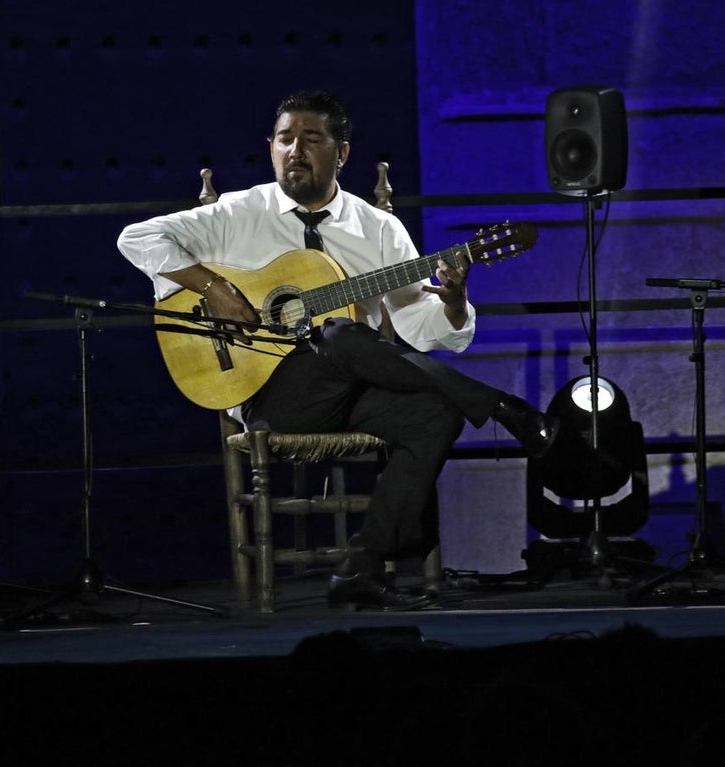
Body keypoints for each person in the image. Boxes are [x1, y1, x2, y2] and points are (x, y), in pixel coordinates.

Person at [118, 89, 559, 611]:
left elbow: (417, 327)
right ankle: (503, 407)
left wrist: (455, 300)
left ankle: (361, 569)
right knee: (339, 335)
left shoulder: (379, 228)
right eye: (285, 140)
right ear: (271, 148)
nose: (295, 151)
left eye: (311, 139)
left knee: (433, 414)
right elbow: (136, 238)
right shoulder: (238, 211)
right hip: (268, 394)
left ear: (341, 152)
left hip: (353, 389)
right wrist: (215, 289)